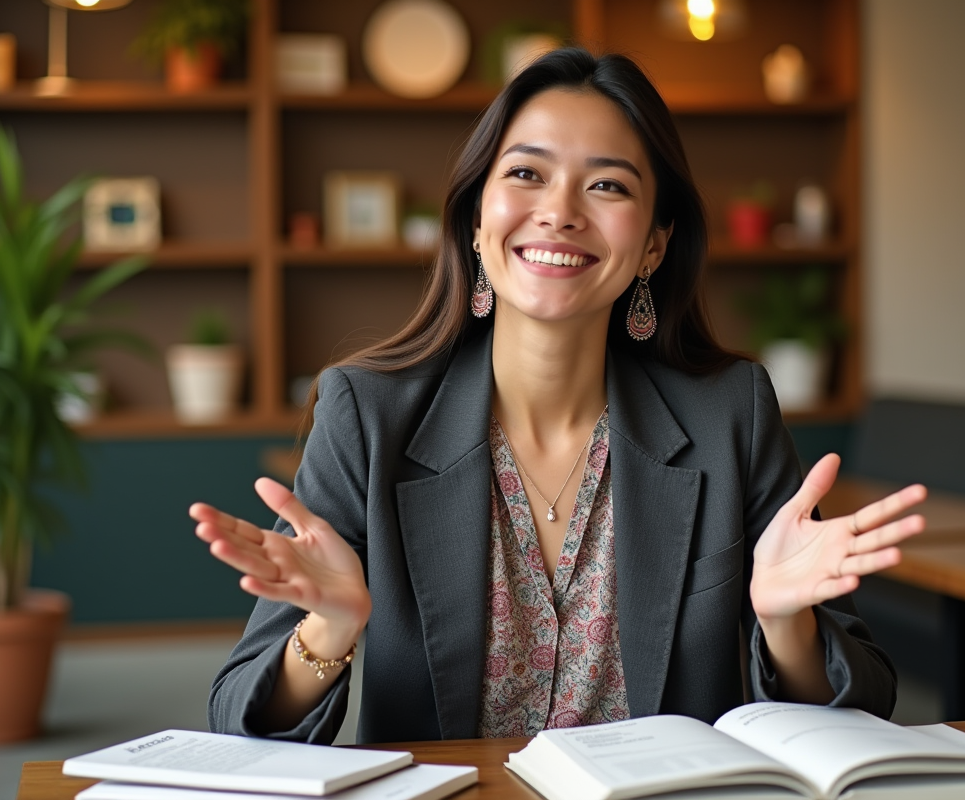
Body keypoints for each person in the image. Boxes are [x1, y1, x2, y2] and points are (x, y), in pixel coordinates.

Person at [193, 47, 926, 745]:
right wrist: (329, 631)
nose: (560, 211)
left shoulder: (730, 413)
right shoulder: (367, 415)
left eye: (607, 185)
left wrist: (786, 625)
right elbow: (240, 720)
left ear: (654, 244)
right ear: (476, 220)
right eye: (526, 173)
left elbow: (863, 704)